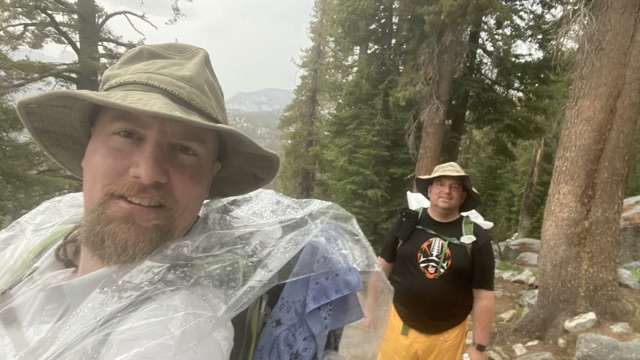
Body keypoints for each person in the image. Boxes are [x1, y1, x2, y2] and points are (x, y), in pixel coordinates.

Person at [0, 43, 283, 359]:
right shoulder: (36, 241)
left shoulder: (177, 330)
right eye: (127, 134)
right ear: (88, 146)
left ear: (210, 179)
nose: (148, 173)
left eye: (185, 150)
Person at [376, 162, 495, 360]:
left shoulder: (477, 239)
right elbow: (382, 266)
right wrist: (371, 312)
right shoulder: (407, 223)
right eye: (440, 184)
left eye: (455, 187)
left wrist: (478, 347)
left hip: (447, 338)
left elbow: (484, 296)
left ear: (463, 196)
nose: (446, 191)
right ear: (429, 190)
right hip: (399, 328)